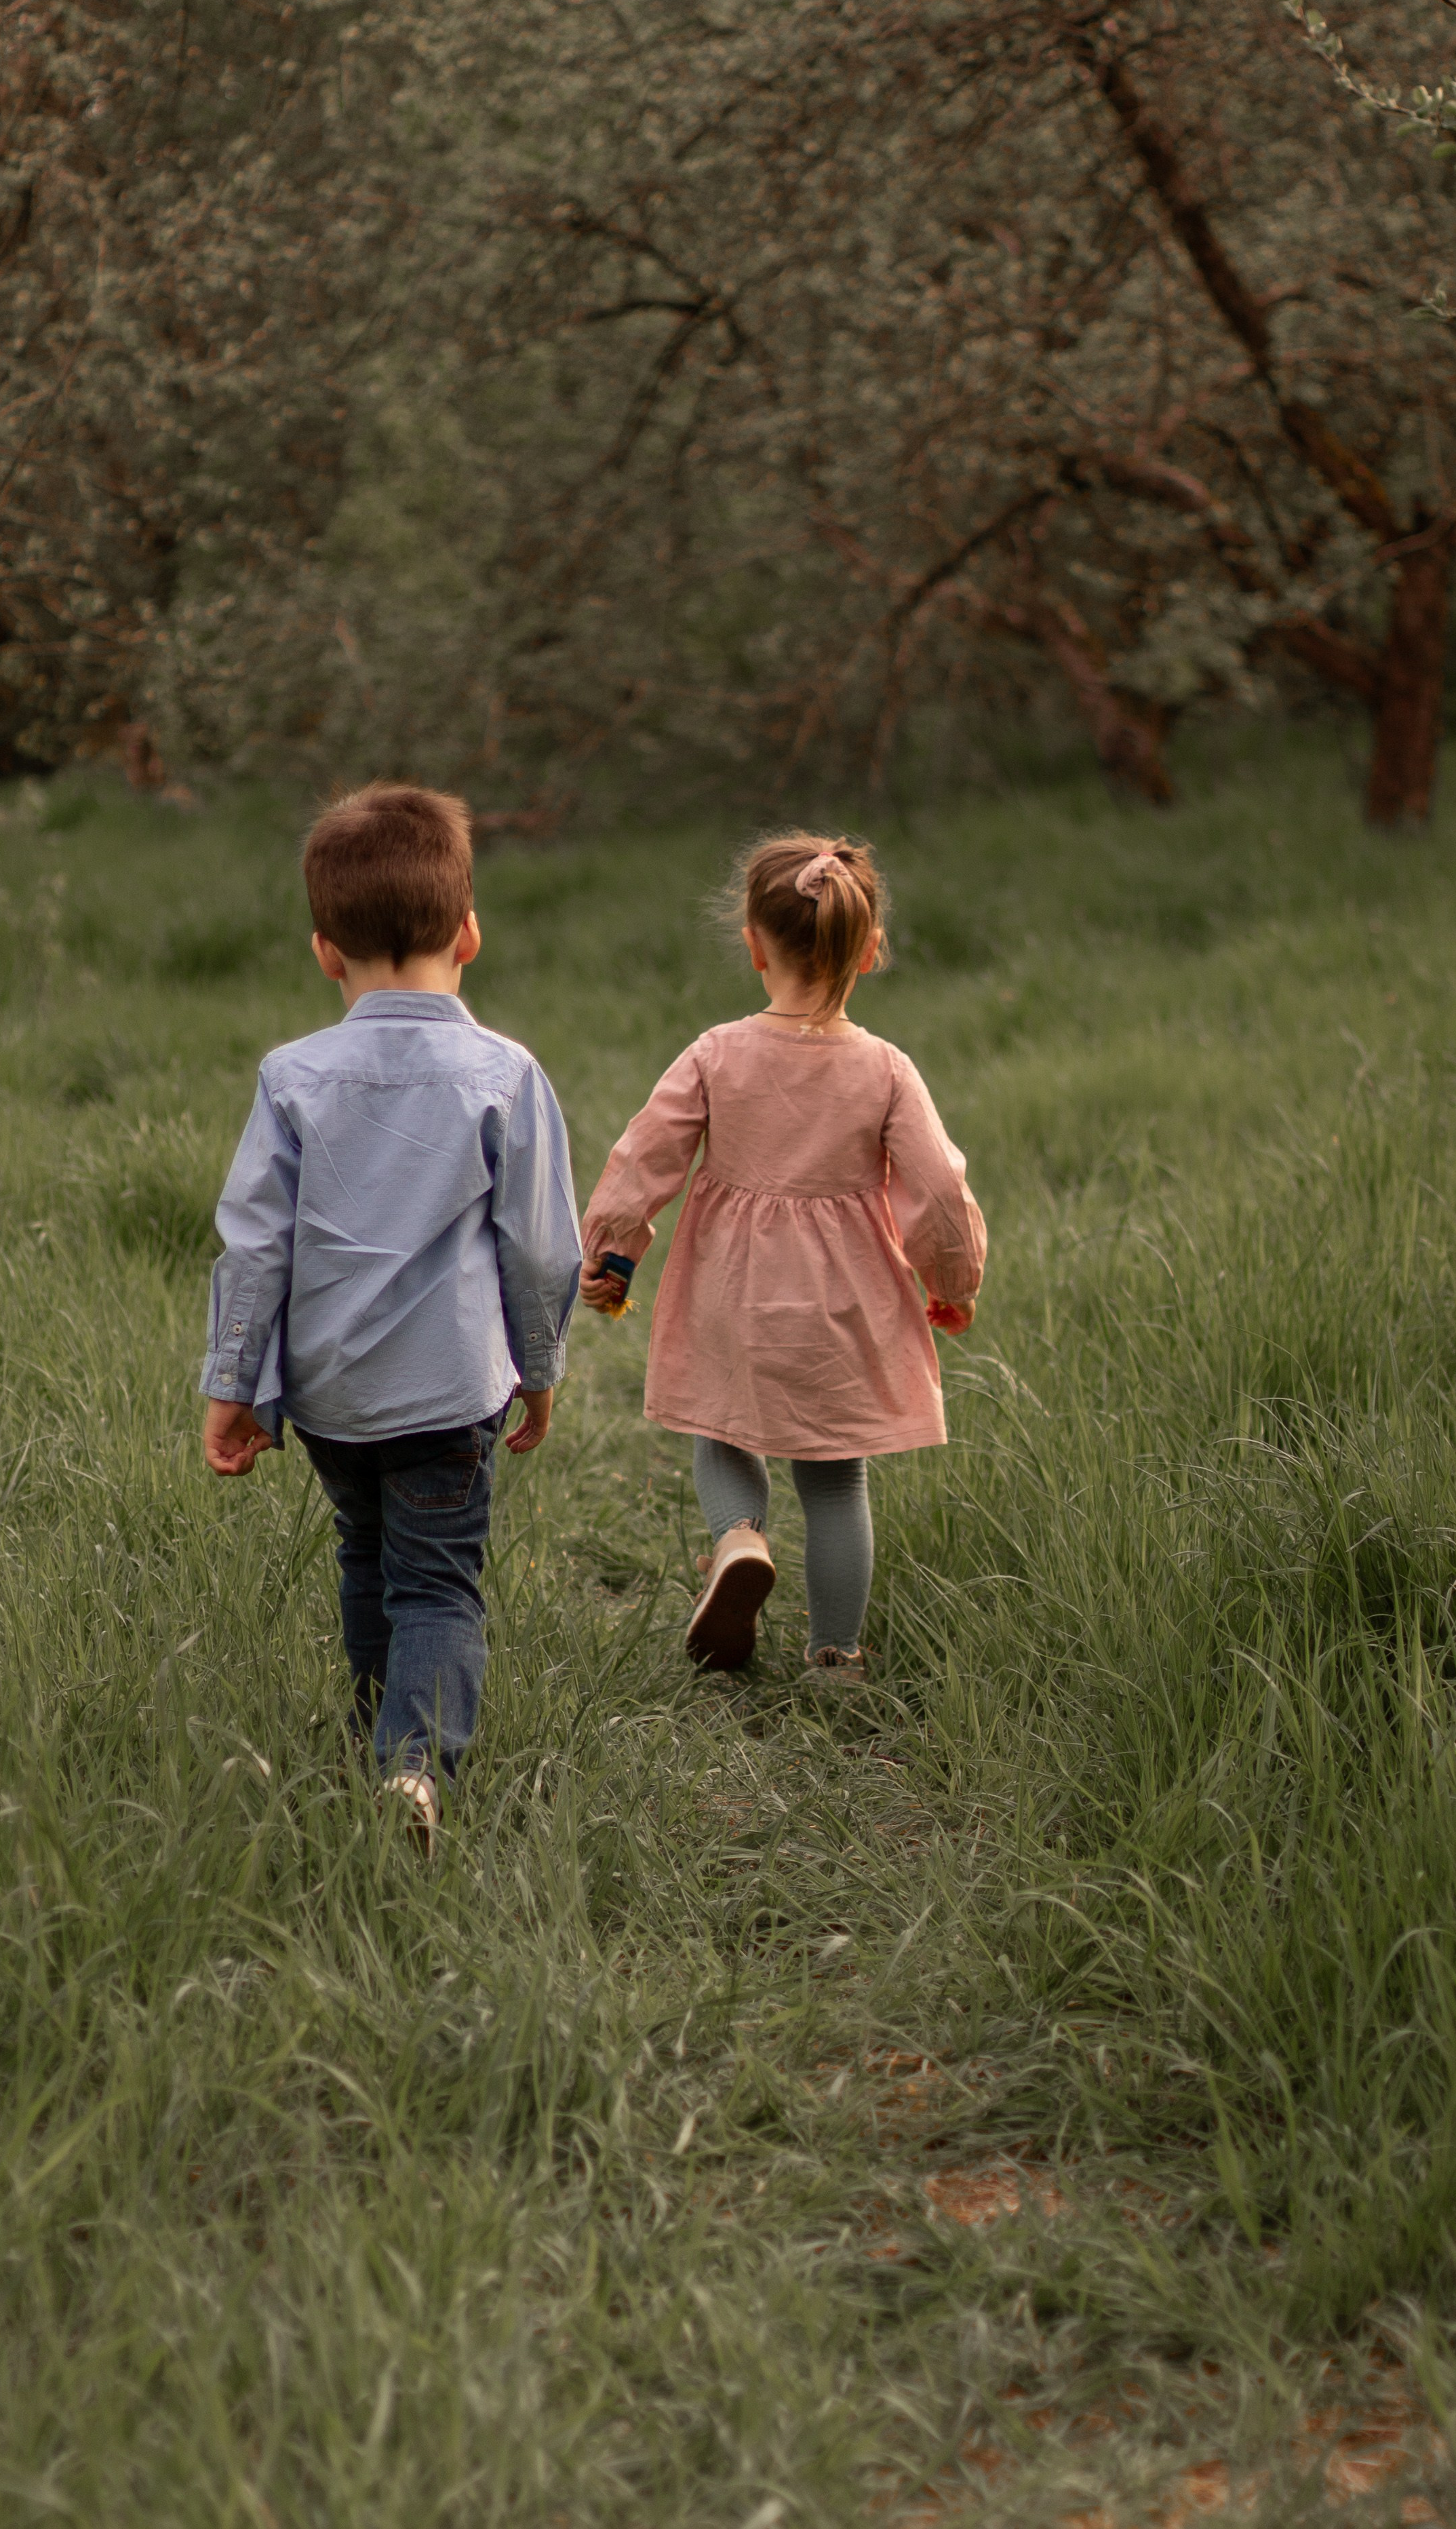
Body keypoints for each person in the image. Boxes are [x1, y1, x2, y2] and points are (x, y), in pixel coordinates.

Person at [200, 781, 581, 1851]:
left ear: (325, 951)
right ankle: (413, 1770)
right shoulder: (503, 1074)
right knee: (439, 1584)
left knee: (364, 1556)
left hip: (330, 1395)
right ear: (470, 932)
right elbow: (544, 1245)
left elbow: (256, 1246)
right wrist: (538, 1367)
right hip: (450, 1389)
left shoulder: (292, 1078)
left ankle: (377, 1745)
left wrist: (236, 1390)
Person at [579, 833, 985, 1679]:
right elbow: (940, 1192)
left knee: (721, 1430)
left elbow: (642, 1161)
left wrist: (612, 1261)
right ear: (868, 952)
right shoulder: (885, 1070)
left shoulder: (714, 1054)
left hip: (729, 1289)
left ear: (753, 945)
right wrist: (950, 1281)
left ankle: (735, 1542)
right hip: (845, 1306)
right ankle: (834, 1660)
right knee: (836, 1482)